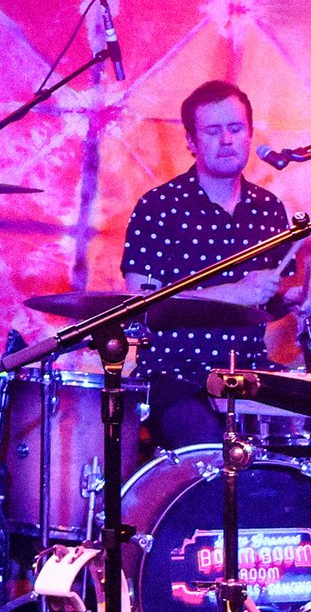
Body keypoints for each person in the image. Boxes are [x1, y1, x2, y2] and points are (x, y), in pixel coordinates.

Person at [120, 80, 300, 450]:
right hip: (176, 375)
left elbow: (263, 303)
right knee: (212, 449)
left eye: (235, 128)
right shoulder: (159, 206)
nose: (227, 140)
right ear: (191, 141)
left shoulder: (269, 208)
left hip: (250, 370)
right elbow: (140, 306)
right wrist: (232, 293)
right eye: (213, 131)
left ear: (249, 133)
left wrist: (289, 300)